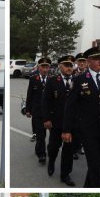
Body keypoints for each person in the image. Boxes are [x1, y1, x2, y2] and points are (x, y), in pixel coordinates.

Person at [62, 46, 100, 187]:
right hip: (88, 130)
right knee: (96, 167)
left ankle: (87, 187)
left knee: (96, 165)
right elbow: (70, 106)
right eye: (97, 59)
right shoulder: (80, 79)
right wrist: (66, 130)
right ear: (89, 61)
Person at [42, 55, 76, 186]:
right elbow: (45, 101)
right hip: (56, 121)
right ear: (60, 67)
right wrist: (46, 119)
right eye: (66, 65)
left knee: (68, 150)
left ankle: (65, 174)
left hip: (72, 123)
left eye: (71, 65)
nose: (69, 68)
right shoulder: (52, 81)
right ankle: (51, 162)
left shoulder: (78, 80)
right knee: (53, 147)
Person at [26, 57, 52, 164]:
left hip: (51, 112)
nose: (45, 69)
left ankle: (51, 151)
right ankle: (41, 154)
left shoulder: (53, 79)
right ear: (38, 67)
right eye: (43, 67)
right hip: (38, 111)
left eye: (47, 67)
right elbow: (30, 95)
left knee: (53, 135)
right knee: (41, 135)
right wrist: (28, 110)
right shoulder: (33, 79)